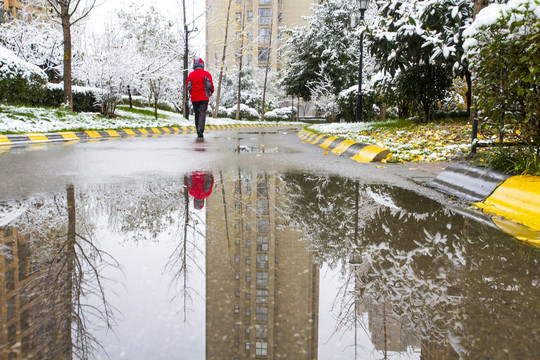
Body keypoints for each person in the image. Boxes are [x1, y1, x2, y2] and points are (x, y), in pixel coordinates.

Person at [187, 58, 214, 138]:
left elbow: (188, 86)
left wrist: (192, 92)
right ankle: (200, 130)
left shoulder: (191, 75)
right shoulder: (206, 74)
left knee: (197, 114)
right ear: (202, 65)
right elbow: (210, 85)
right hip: (204, 97)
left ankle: (197, 129)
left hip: (194, 97)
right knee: (202, 113)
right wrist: (210, 92)